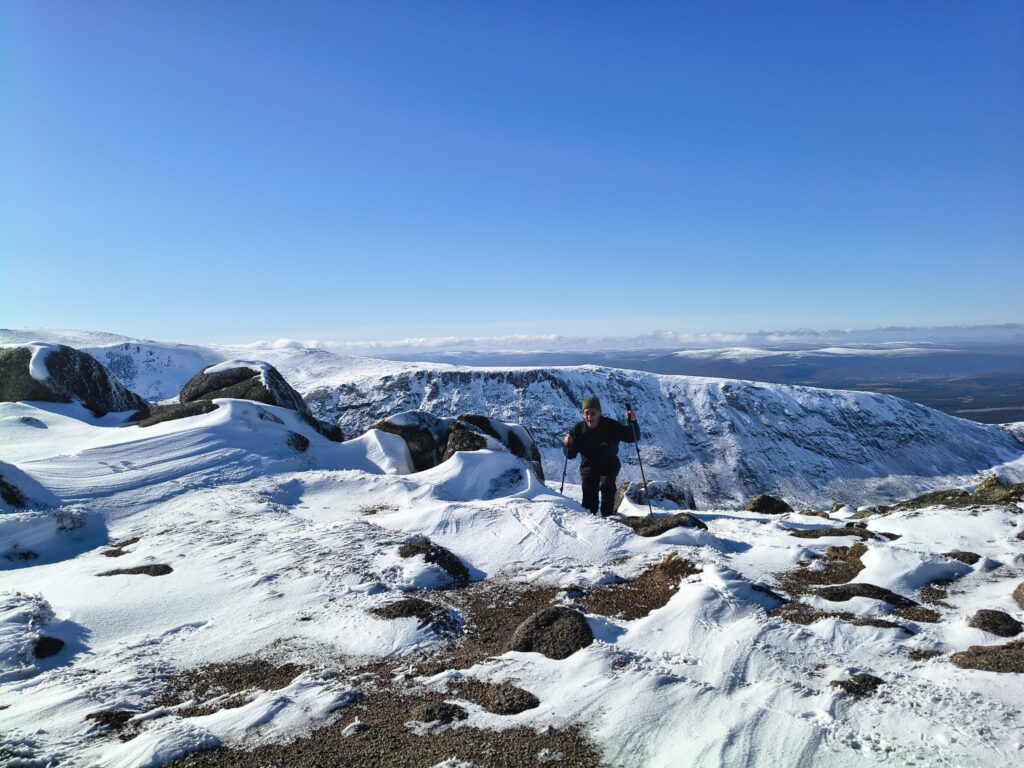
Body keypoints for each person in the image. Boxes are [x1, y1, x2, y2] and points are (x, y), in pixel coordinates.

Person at [563, 395, 638, 517]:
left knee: (607, 486)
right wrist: (568, 445)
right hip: (588, 466)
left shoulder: (611, 426)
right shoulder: (577, 430)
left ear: (599, 413)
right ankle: (589, 518)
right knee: (589, 495)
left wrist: (632, 422)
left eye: (593, 413)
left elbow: (632, 436)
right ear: (583, 414)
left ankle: (607, 517)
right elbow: (570, 455)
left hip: (609, 465)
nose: (589, 417)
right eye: (586, 413)